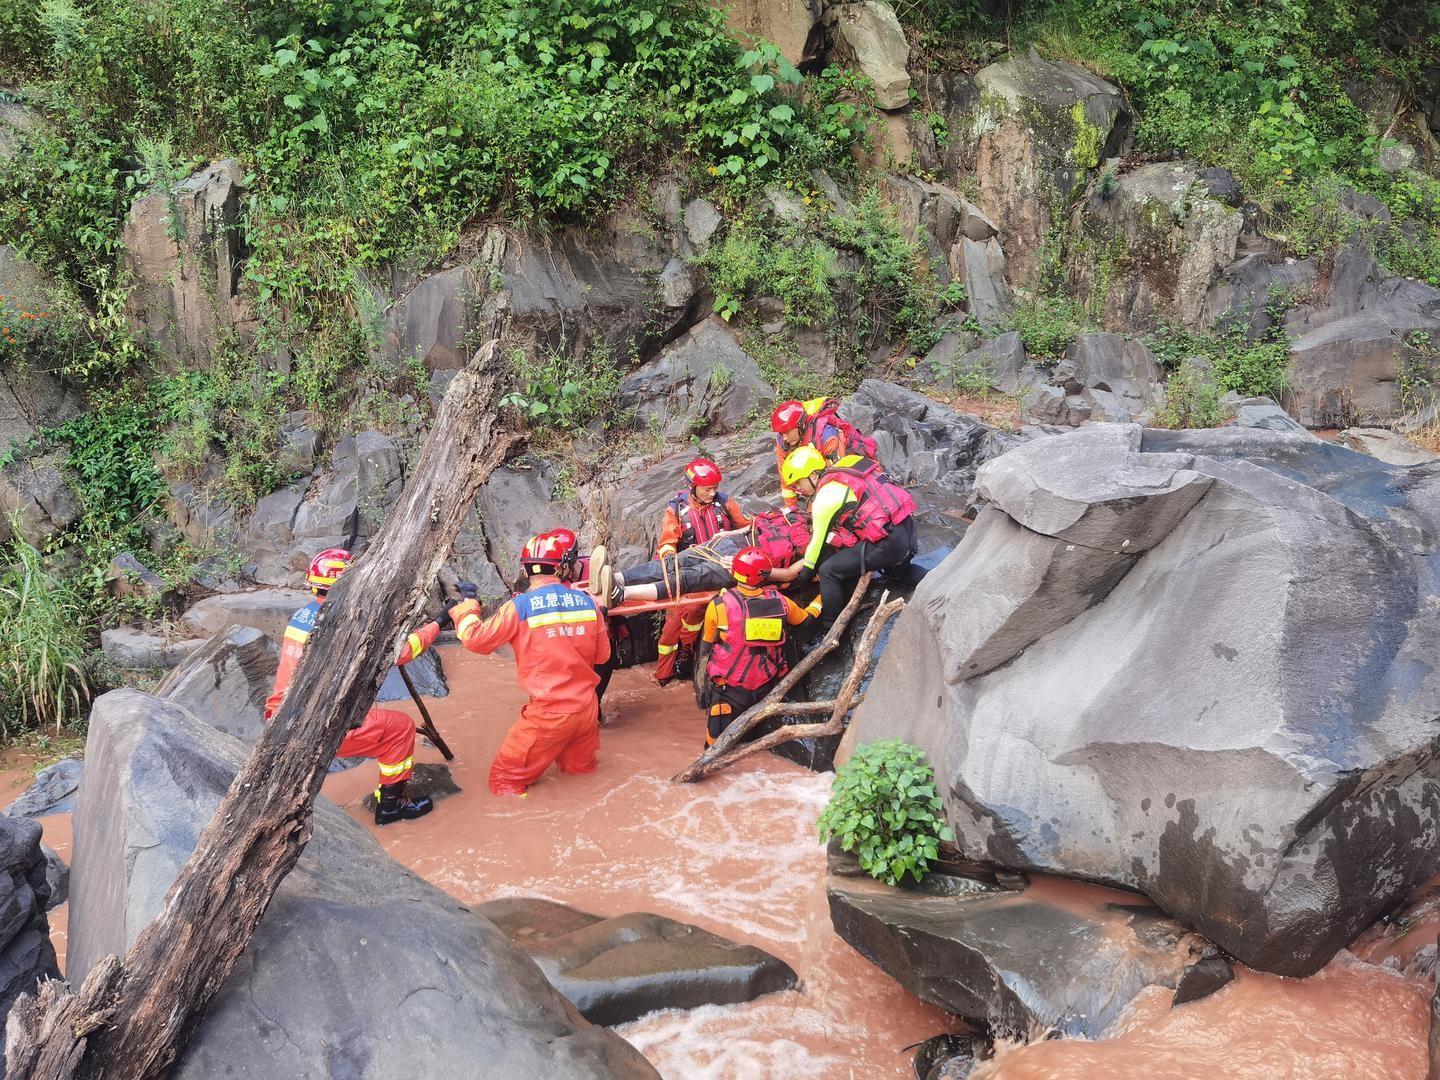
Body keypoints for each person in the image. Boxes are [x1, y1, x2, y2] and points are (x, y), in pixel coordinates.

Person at [265, 548, 439, 826]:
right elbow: (402, 651)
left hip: (282, 717)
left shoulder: (303, 615)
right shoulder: (348, 619)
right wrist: (438, 624)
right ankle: (393, 805)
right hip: (317, 723)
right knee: (401, 727)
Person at [446, 530, 611, 797]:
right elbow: (603, 657)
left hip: (549, 715)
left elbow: (476, 640)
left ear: (526, 571)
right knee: (581, 777)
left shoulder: (520, 607)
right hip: (586, 711)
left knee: (504, 782)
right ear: (564, 567)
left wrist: (468, 609)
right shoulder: (587, 603)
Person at [773, 446, 917, 633]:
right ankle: (934, 580)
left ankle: (829, 627)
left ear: (814, 476)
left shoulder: (824, 498)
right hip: (906, 527)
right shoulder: (845, 465)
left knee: (828, 571)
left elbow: (816, 545)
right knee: (897, 572)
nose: (797, 489)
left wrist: (804, 578)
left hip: (888, 542)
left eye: (799, 483)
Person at [697, 546, 819, 747]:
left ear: (735, 572)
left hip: (729, 688)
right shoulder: (781, 602)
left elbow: (707, 646)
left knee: (714, 744)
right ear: (764, 575)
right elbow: (806, 621)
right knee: (750, 739)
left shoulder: (719, 605)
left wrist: (704, 682)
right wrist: (820, 600)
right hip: (766, 685)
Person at [586, 508, 812, 608]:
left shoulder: (816, 548)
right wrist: (728, 533)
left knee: (686, 579)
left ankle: (620, 594)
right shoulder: (798, 516)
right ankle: (615, 578)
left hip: (742, 566)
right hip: (730, 543)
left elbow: (790, 573)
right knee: (672, 563)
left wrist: (742, 565)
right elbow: (755, 526)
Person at [652, 457, 750, 685]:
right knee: (670, 629)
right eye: (707, 489)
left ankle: (687, 649)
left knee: (696, 611)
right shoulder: (676, 509)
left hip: (721, 571)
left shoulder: (725, 503)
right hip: (690, 571)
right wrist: (671, 565)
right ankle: (663, 677)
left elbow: (746, 528)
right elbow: (667, 543)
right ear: (692, 487)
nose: (712, 493)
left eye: (715, 488)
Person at [771, 398, 878, 509]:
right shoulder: (784, 442)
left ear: (800, 425)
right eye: (781, 433)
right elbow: (786, 477)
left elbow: (834, 478)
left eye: (787, 432)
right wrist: (791, 509)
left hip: (847, 471)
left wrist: (813, 512)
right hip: (814, 477)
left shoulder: (827, 436)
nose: (784, 437)